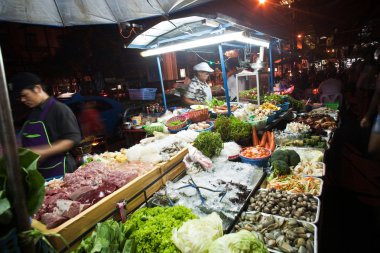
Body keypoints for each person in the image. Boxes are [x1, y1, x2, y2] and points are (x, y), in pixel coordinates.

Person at [9, 72, 81, 178]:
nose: (22, 100)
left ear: (37, 89)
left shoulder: (59, 109)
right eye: (20, 97)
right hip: (40, 174)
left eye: (25, 95)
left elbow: (73, 139)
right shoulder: (32, 113)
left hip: (61, 171)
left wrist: (42, 151)